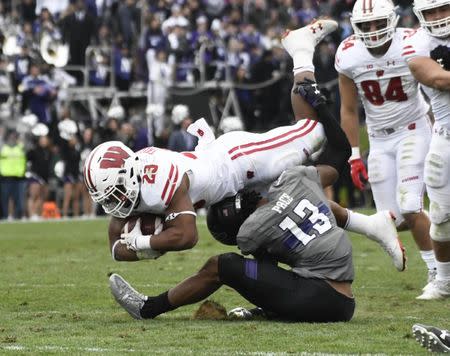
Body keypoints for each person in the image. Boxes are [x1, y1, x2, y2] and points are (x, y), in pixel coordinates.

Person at [84, 20, 404, 272]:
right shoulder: (133, 182)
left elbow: (186, 236)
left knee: (314, 131)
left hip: (239, 160)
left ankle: (301, 49)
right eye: (109, 197)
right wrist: (140, 246)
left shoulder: (162, 179)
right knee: (303, 194)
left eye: (115, 192)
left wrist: (143, 244)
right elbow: (115, 245)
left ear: (130, 172)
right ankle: (373, 226)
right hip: (224, 180)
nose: (116, 202)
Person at [109, 164, 356, 322]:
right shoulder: (294, 181)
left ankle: (148, 308)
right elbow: (331, 170)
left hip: (319, 296)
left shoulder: (252, 230)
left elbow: (255, 251)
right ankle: (273, 311)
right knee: (255, 265)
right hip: (341, 300)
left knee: (222, 266)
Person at [335, 0, 435, 292]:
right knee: (393, 220)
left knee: (410, 204)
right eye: (366, 25)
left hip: (414, 129)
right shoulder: (348, 54)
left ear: (392, 19)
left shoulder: (412, 42)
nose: (373, 30)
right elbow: (349, 110)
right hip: (379, 139)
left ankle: (439, 273)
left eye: (379, 22)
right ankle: (440, 229)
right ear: (355, 26)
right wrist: (354, 154)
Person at [402, 0, 450, 299]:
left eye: (442, 8)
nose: (437, 16)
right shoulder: (417, 42)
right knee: (442, 215)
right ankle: (445, 280)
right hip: (445, 135)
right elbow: (436, 78)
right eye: (430, 11)